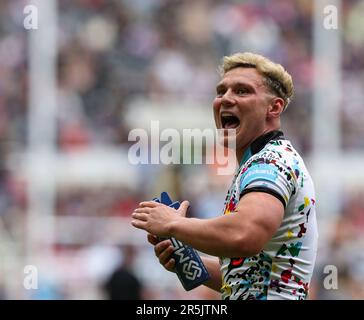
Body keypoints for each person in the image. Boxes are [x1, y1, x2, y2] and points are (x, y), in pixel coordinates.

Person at [131, 52, 318, 300]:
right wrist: (188, 261)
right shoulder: (256, 163)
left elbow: (246, 235)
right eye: (221, 92)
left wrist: (174, 224)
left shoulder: (271, 162)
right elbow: (248, 279)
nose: (226, 98)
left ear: (274, 107)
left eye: (242, 91)